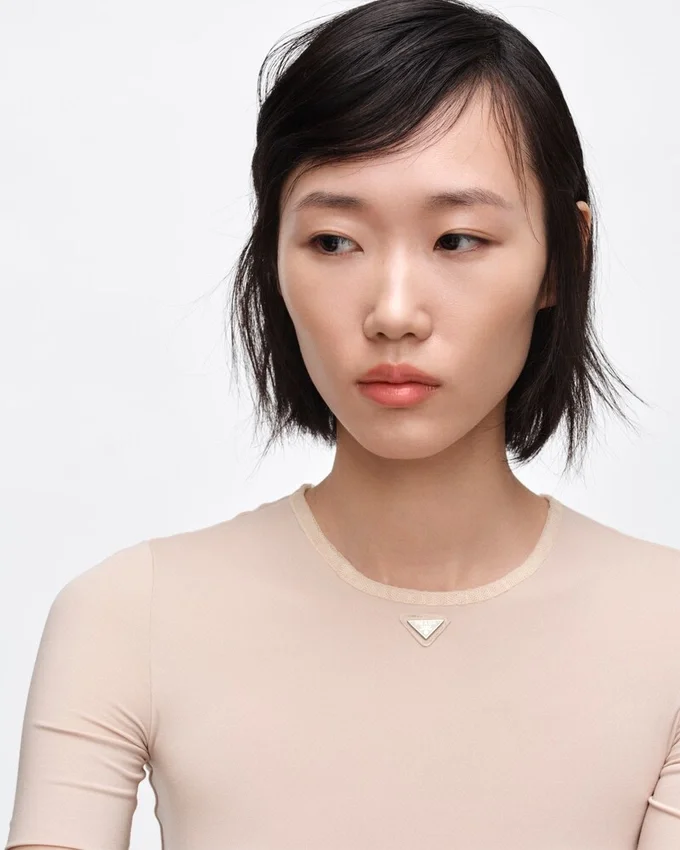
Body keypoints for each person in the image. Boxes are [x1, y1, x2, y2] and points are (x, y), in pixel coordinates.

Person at [5, 0, 680, 847]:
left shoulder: (668, 629)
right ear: (272, 257)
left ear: (564, 256)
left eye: (458, 240)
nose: (393, 313)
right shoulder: (126, 615)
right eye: (333, 242)